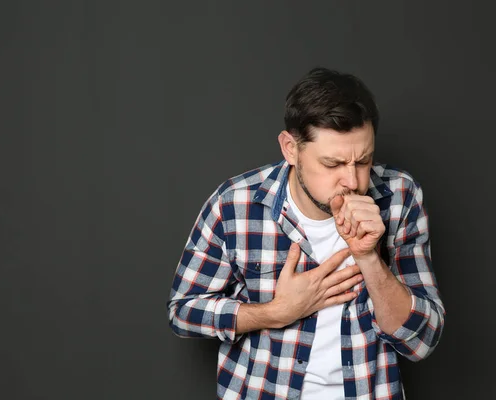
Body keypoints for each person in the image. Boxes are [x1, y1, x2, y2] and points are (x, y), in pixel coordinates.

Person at [166, 67, 445, 400]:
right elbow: (183, 311)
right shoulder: (235, 205)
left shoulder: (400, 197)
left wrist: (370, 258)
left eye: (364, 160)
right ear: (290, 148)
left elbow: (421, 341)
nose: (353, 181)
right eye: (332, 164)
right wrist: (276, 312)